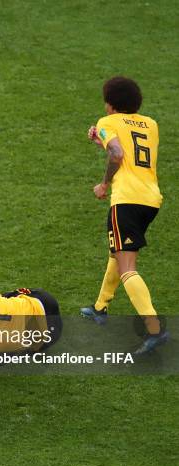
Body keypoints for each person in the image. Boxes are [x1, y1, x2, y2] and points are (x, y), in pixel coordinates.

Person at [80, 76, 169, 354]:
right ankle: (99, 307)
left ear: (110, 103)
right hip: (150, 200)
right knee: (118, 253)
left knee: (128, 267)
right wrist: (101, 142)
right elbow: (130, 150)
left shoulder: (107, 122)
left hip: (126, 200)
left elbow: (118, 153)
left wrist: (104, 184)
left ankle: (154, 329)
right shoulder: (151, 124)